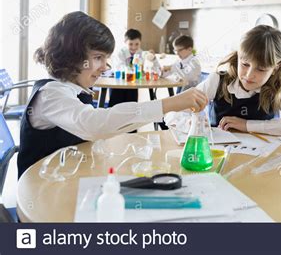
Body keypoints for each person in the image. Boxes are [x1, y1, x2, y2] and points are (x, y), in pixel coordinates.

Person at [18, 12, 208, 177]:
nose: (104, 67)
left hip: (65, 178)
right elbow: (94, 124)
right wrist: (170, 103)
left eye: (106, 59)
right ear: (72, 56)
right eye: (98, 58)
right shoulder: (50, 95)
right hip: (42, 194)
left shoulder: (73, 89)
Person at [196, 25, 281, 136]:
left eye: (261, 69)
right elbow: (182, 109)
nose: (249, 75)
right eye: (245, 64)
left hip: (264, 154)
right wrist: (195, 121)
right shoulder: (217, 80)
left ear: (276, 68)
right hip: (220, 152)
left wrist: (247, 125)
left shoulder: (278, 89)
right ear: (239, 57)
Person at [109, 29, 143, 107]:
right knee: (115, 107)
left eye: (137, 44)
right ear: (125, 43)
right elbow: (120, 68)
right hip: (119, 83)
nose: (134, 47)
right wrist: (134, 68)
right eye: (130, 44)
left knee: (131, 107)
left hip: (132, 84)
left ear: (140, 43)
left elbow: (143, 68)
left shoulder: (141, 53)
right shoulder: (120, 53)